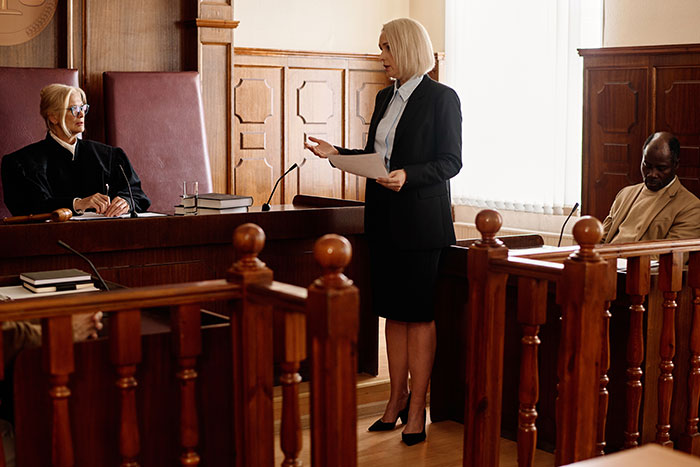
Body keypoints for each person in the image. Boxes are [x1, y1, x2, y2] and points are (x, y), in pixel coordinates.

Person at [305, 18, 461, 446]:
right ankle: (395, 401)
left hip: (421, 223)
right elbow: (379, 158)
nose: (380, 55)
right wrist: (337, 154)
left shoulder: (441, 98)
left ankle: (417, 411)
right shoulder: (383, 97)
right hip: (384, 220)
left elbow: (450, 161)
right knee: (392, 313)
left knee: (418, 315)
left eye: (385, 47)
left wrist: (408, 175)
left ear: (407, 48)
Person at [1, 83, 150, 217]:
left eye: (83, 108)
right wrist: (77, 204)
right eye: (74, 109)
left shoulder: (109, 156)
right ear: (53, 117)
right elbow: (29, 207)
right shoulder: (21, 163)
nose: (81, 114)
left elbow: (137, 195)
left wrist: (126, 202)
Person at [602, 131, 700, 243]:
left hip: (639, 260)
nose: (652, 174)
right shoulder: (625, 194)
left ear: (675, 165)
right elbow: (601, 239)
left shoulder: (691, 208)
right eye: (647, 166)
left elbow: (670, 256)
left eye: (661, 168)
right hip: (606, 258)